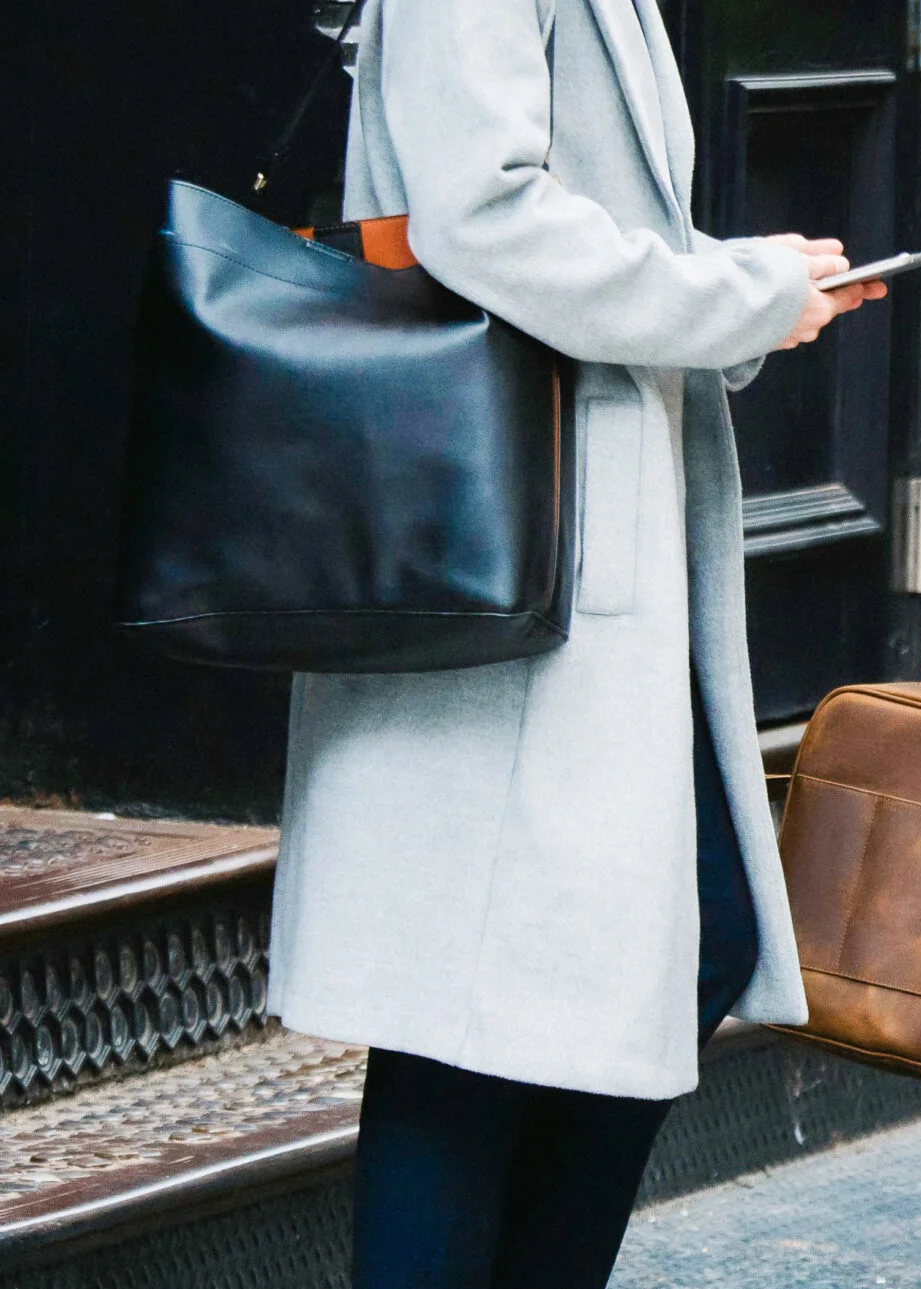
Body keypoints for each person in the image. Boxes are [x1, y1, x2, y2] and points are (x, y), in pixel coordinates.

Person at [264, 0, 883, 1283]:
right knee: (474, 1018)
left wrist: (752, 287)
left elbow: (577, 209)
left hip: (566, 528)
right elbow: (481, 217)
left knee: (603, 967)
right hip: (500, 528)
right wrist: (733, 295)